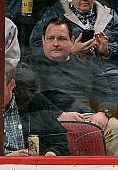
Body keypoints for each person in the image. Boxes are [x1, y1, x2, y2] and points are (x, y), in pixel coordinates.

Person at [23, 17, 118, 154]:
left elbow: (107, 95)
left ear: (72, 41)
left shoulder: (89, 66)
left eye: (61, 38)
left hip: (89, 119)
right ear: (43, 41)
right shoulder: (29, 65)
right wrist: (59, 115)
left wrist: (103, 113)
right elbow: (28, 99)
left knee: (115, 128)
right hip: (49, 121)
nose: (56, 43)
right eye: (51, 38)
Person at [29, 0, 118, 97]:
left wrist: (107, 50)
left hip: (108, 73)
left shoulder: (110, 16)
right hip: (70, 73)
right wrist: (69, 51)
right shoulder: (57, 13)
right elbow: (36, 43)